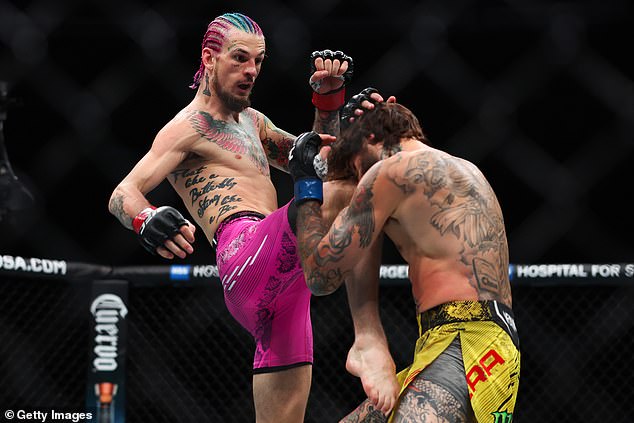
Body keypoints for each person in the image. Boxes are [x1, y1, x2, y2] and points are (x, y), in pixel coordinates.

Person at [107, 11, 376, 423]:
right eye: (239, 58)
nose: (251, 70)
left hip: (288, 284)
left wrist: (328, 104)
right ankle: (368, 335)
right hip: (245, 254)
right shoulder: (188, 126)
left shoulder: (254, 123)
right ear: (209, 58)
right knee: (360, 185)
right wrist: (146, 217)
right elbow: (122, 192)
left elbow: (321, 163)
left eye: (259, 60)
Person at [289, 101, 521, 422]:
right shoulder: (464, 168)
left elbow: (320, 276)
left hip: (464, 346)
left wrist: (306, 187)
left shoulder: (390, 171)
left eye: (358, 168)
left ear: (371, 137)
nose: (360, 180)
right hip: (480, 341)